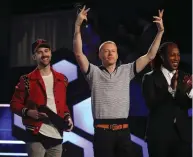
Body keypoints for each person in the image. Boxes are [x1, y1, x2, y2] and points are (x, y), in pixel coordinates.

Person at [73, 5, 164, 157]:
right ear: (100, 55)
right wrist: (77, 26)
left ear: (117, 55)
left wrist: (160, 32)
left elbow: (149, 56)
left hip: (123, 131)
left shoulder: (126, 70)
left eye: (113, 51)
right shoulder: (93, 72)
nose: (110, 53)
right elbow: (78, 53)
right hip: (103, 132)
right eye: (106, 51)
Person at [10, 39, 73, 157]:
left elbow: (62, 105)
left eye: (46, 51)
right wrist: (29, 112)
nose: (44, 54)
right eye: (39, 52)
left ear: (51, 53)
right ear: (34, 57)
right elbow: (14, 104)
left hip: (56, 135)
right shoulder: (26, 80)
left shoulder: (62, 79)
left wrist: (67, 117)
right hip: (35, 134)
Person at [142, 42, 192, 157]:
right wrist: (171, 89)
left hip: (182, 136)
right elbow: (151, 104)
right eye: (172, 55)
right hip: (159, 137)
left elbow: (186, 105)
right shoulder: (150, 77)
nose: (176, 58)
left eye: (178, 55)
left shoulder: (185, 77)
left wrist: (189, 93)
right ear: (162, 57)